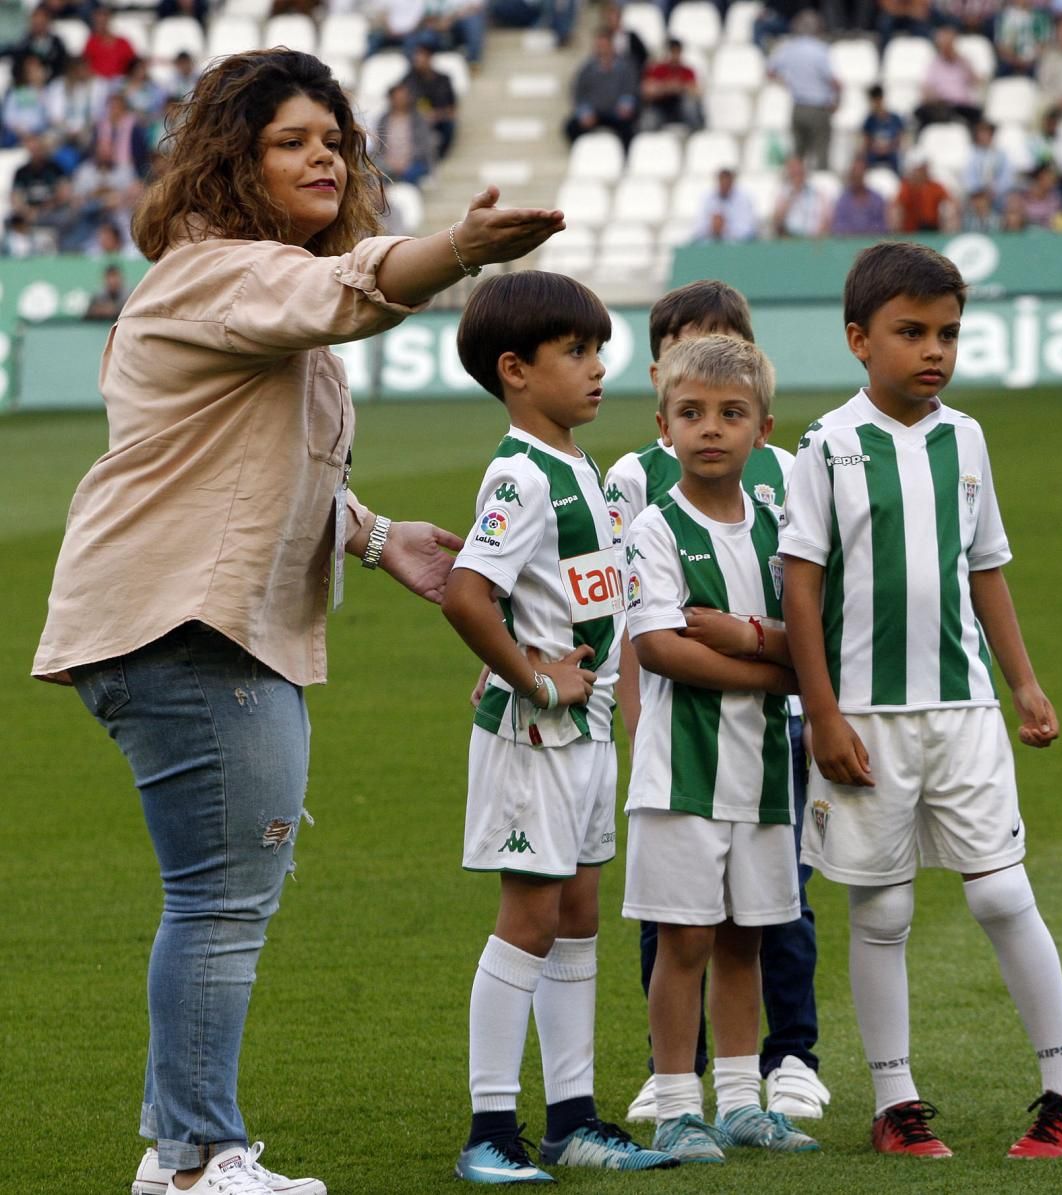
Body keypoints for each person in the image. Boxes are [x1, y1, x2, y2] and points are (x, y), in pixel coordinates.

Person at [32, 48, 564, 1195]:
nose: (324, 154)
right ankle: (196, 1162)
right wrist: (463, 250)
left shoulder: (226, 282)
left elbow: (239, 459)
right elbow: (352, 291)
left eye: (334, 138)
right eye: (291, 140)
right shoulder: (218, 272)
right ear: (234, 163)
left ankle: (181, 1146)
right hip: (189, 626)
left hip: (174, 616)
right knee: (221, 900)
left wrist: (375, 537)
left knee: (216, 896)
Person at [779, 240, 1062, 1161]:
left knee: (1002, 894)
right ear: (857, 339)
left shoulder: (968, 437)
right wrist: (825, 714)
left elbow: (986, 565)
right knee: (880, 911)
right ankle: (895, 1102)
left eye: (948, 333)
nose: (934, 351)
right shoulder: (826, 446)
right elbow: (801, 588)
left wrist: (1023, 681)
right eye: (911, 332)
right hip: (865, 718)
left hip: (963, 713)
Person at [440, 270, 678, 1184]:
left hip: (583, 735)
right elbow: (468, 593)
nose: (596, 368)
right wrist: (533, 677)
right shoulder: (519, 472)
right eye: (575, 352)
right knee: (530, 915)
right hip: (535, 735)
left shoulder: (575, 465)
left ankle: (571, 1116)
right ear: (515, 371)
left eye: (597, 350)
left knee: (578, 913)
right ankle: (489, 1128)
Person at [604, 280, 828, 1130]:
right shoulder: (655, 525)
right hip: (681, 768)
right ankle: (673, 1102)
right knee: (684, 938)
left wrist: (742, 640)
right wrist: (784, 668)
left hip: (769, 769)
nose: (710, 428)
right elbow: (660, 646)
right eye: (691, 412)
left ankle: (742, 1099)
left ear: (762, 429)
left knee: (748, 936)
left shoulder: (782, 521)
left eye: (731, 413)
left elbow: (818, 635)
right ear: (663, 424)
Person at [766, 11, 839, 170]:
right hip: (818, 109)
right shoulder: (820, 50)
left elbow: (770, 72)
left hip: (798, 107)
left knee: (798, 154)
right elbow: (834, 81)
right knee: (821, 155)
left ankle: (795, 187)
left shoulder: (788, 48)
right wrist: (837, 100)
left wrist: (787, 84)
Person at [564, 30, 640, 152]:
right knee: (571, 127)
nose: (601, 49)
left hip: (617, 113)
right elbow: (578, 92)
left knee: (629, 128)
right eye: (599, 46)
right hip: (594, 113)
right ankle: (582, 153)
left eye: (604, 46)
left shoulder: (626, 67)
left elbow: (631, 89)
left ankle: (625, 157)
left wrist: (626, 104)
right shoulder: (587, 69)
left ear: (611, 46)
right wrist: (585, 112)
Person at [374, 80, 435, 184]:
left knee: (411, 175)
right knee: (375, 172)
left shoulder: (418, 119)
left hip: (413, 162)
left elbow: (424, 145)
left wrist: (406, 162)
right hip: (388, 162)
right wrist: (389, 162)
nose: (400, 100)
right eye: (397, 97)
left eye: (403, 97)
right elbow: (379, 145)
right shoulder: (383, 119)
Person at [640, 37, 703, 132]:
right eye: (673, 52)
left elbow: (697, 92)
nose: (675, 56)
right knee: (648, 119)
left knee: (690, 108)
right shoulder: (657, 70)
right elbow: (646, 92)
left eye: (677, 52)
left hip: (680, 110)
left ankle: (697, 137)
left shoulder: (687, 71)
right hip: (661, 108)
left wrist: (680, 87)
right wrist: (666, 87)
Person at [691, 167, 760, 243]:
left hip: (738, 244)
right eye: (722, 180)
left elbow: (747, 228)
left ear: (732, 181)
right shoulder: (706, 198)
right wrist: (713, 228)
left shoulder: (745, 198)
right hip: (711, 242)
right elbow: (699, 227)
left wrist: (725, 228)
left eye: (727, 181)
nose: (724, 184)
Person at [772, 154, 831, 237]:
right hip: (789, 240)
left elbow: (826, 220)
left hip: (814, 241)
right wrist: (791, 196)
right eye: (793, 170)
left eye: (799, 169)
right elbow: (776, 222)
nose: (796, 172)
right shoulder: (782, 194)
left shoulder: (818, 193)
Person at [830, 156, 888, 235]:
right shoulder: (842, 201)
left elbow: (882, 226)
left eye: (860, 173)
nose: (857, 176)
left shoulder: (877, 199)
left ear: (865, 174)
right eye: (855, 173)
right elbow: (839, 227)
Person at [861, 84, 906, 173]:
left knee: (897, 159)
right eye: (874, 101)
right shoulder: (869, 120)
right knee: (865, 159)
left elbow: (900, 138)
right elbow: (866, 140)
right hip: (874, 152)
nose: (876, 104)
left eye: (878, 100)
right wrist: (875, 148)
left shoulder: (895, 118)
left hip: (891, 151)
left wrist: (888, 148)